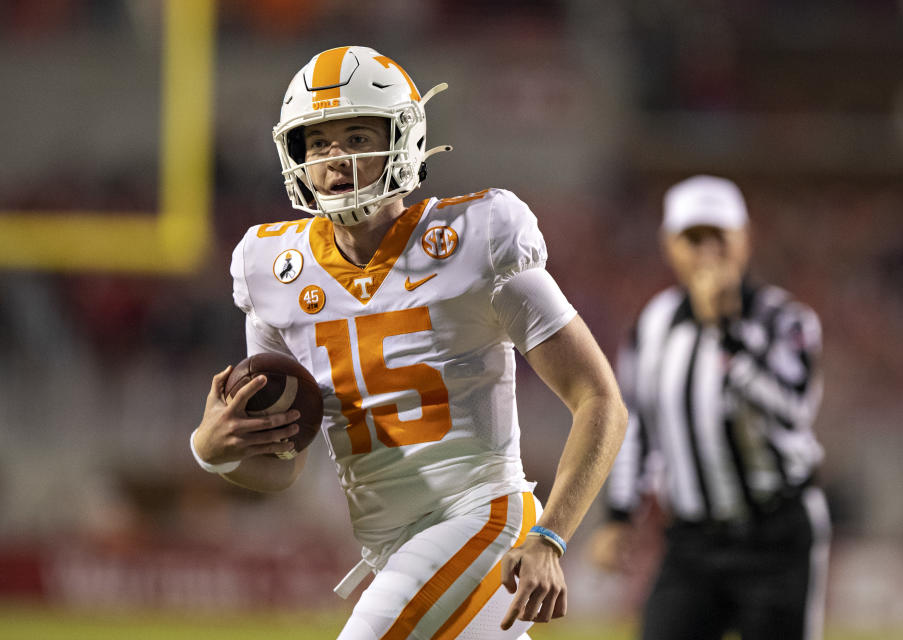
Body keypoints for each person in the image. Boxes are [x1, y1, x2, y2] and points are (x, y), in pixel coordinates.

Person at [190, 46, 627, 640]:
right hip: (392, 547)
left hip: (484, 518)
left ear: (404, 139)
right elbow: (282, 467)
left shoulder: (478, 238)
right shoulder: (273, 271)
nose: (335, 158)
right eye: (317, 144)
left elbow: (600, 399)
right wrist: (212, 450)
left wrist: (551, 535)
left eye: (356, 136)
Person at [589, 175, 831, 640]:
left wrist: (727, 333)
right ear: (669, 245)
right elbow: (636, 425)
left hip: (776, 534)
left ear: (744, 239)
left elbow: (794, 410)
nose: (707, 251)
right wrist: (620, 515)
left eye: (718, 236)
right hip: (692, 541)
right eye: (692, 238)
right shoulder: (652, 325)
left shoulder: (786, 320)